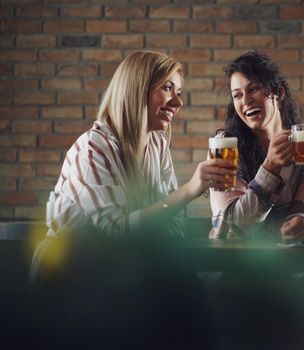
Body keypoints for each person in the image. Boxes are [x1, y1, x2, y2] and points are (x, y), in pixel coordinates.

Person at [27, 51, 234, 346]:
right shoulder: (93, 147)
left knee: (198, 292)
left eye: (179, 92)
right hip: (74, 277)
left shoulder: (157, 145)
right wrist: (190, 190)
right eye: (167, 89)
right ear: (137, 89)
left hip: (129, 270)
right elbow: (114, 230)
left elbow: (174, 224)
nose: (178, 103)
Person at [209, 51, 304, 241]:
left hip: (289, 262)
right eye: (237, 95)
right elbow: (237, 224)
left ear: (278, 92)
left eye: (254, 89)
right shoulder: (224, 148)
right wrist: (271, 166)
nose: (246, 101)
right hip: (231, 261)